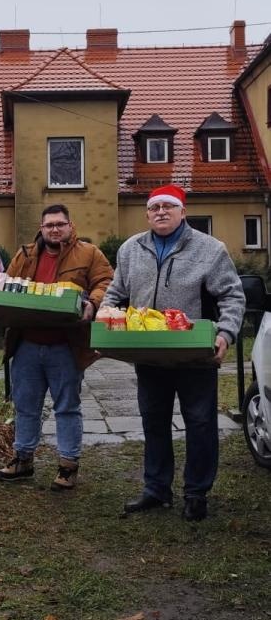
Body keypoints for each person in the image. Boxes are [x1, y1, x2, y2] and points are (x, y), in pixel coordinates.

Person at [100, 185, 245, 521]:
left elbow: (232, 297)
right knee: (153, 421)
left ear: (183, 211)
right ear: (147, 213)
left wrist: (225, 333)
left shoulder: (210, 249)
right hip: (149, 355)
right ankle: (156, 489)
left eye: (168, 206)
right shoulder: (130, 249)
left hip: (194, 355)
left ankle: (196, 493)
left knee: (200, 422)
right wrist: (106, 320)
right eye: (154, 208)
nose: (160, 212)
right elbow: (114, 294)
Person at [0, 203, 113, 491]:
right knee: (25, 406)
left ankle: (68, 465)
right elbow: (7, 285)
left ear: (70, 226)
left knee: (67, 407)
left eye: (60, 224)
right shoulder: (24, 254)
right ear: (41, 227)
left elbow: (107, 281)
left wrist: (93, 303)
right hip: (27, 345)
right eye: (49, 225)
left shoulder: (89, 253)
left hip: (66, 345)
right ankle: (23, 459)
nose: (55, 229)